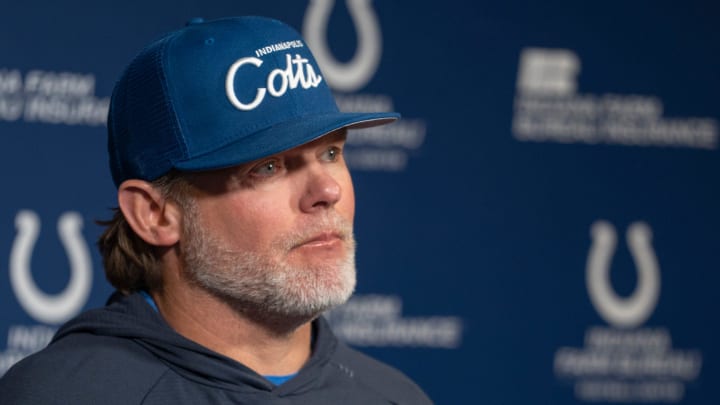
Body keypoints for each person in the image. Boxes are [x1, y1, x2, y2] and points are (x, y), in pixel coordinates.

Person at [0, 16, 432, 404]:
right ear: (156, 214)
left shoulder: (394, 396)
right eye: (267, 166)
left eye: (332, 153)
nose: (325, 190)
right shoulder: (63, 394)